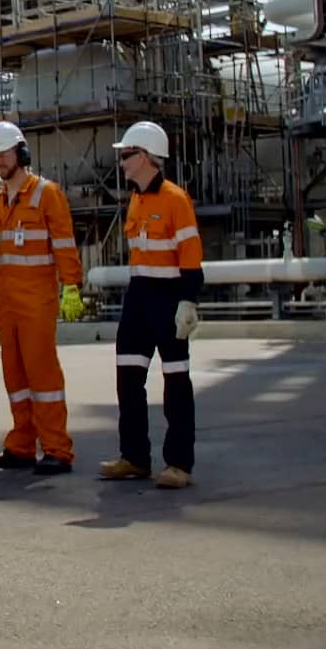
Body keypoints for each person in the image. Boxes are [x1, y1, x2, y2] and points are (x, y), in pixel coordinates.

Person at [0, 121, 83, 475]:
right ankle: (21, 445)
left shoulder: (46, 194)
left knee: (43, 375)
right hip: (6, 301)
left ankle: (56, 448)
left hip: (37, 299)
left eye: (4, 154)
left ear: (21, 154)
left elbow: (65, 243)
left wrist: (71, 286)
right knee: (15, 377)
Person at [100, 121, 202, 489]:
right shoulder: (136, 199)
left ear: (143, 157)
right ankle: (134, 458)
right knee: (128, 380)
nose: (122, 163)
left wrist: (188, 301)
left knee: (176, 383)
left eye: (126, 156)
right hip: (138, 298)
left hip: (169, 299)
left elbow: (191, 256)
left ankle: (178, 464)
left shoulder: (176, 200)